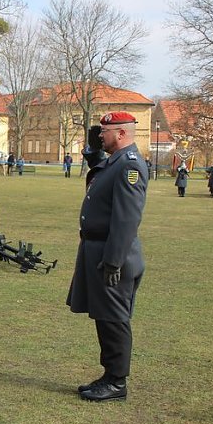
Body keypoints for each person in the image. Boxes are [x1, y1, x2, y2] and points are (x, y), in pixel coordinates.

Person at [67, 112, 148, 402]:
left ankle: (117, 382)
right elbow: (100, 172)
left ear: (122, 134)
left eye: (105, 131)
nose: (101, 135)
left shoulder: (130, 166)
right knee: (104, 316)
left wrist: (114, 261)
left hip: (113, 256)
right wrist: (92, 151)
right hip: (98, 250)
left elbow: (127, 220)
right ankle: (109, 374)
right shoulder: (115, 162)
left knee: (114, 318)